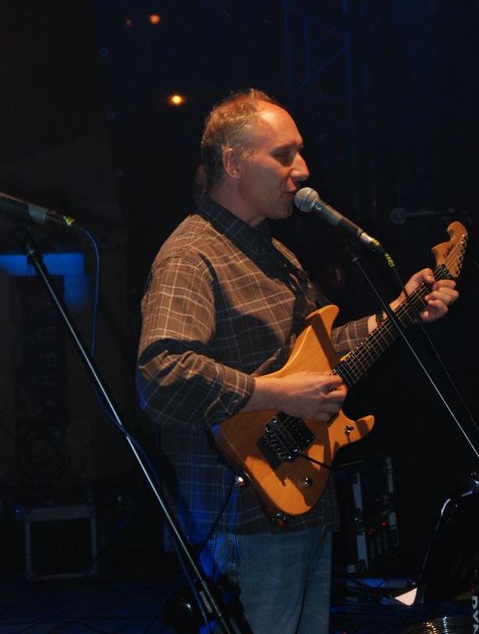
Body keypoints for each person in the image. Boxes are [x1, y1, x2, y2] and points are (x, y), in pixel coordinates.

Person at [136, 88, 459, 634]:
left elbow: (318, 355)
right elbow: (163, 375)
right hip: (242, 515)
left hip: (302, 494)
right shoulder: (191, 256)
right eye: (284, 155)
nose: (303, 170)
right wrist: (278, 394)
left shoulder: (275, 252)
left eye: (300, 153)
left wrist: (400, 311)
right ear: (234, 162)